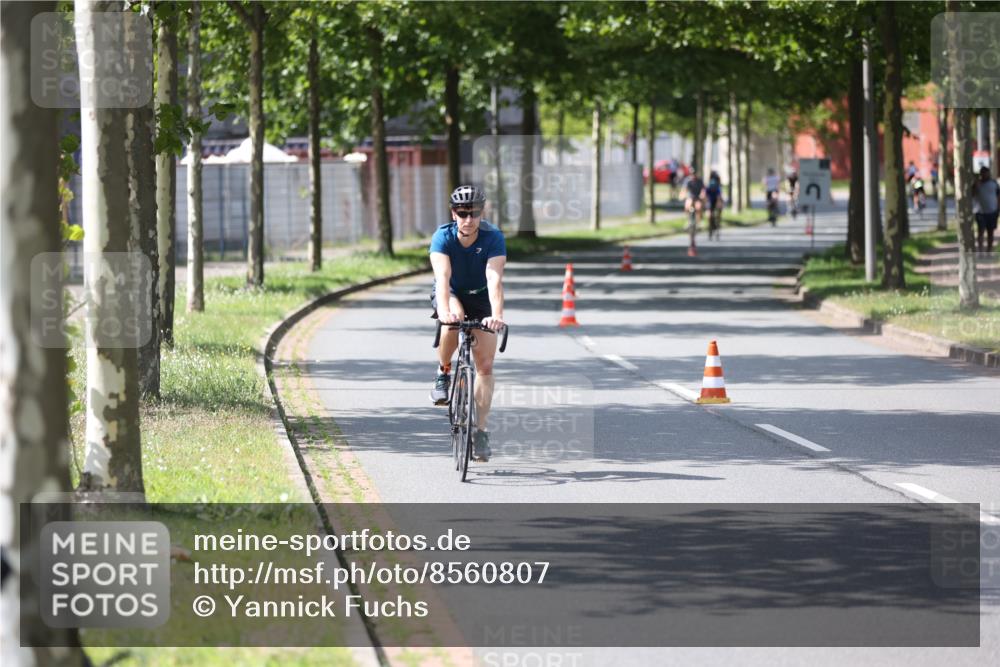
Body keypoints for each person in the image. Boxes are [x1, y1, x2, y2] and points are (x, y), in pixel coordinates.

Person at [428, 185, 507, 461]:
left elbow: (494, 278)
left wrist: (496, 315)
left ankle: (480, 432)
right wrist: (444, 312)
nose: (468, 219)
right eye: (462, 213)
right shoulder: (442, 237)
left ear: (481, 213)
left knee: (485, 366)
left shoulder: (493, 237)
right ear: (454, 213)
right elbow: (442, 278)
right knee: (453, 320)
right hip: (452, 293)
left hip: (482, 297)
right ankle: (444, 370)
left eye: (473, 213)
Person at [972, 166, 999, 253]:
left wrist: (998, 209)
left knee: (990, 232)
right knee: (981, 232)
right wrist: (976, 185)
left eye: (986, 173)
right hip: (980, 212)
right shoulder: (976, 184)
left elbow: (998, 197)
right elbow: (972, 195)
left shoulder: (994, 184)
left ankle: (989, 250)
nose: (984, 175)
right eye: (983, 173)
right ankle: (980, 250)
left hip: (992, 212)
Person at [684, 169, 706, 255]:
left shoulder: (699, 181)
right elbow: (684, 190)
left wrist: (702, 195)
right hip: (690, 197)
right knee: (687, 205)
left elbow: (703, 190)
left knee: (699, 207)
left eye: (694, 174)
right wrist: (683, 195)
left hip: (697, 198)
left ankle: (699, 221)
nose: (692, 175)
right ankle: (687, 220)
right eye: (691, 174)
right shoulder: (688, 181)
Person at [706, 170, 724, 240]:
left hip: (716, 200)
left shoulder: (717, 187)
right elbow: (706, 195)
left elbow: (719, 196)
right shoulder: (709, 186)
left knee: (717, 213)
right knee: (710, 215)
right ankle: (712, 227)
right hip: (711, 200)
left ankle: (717, 225)